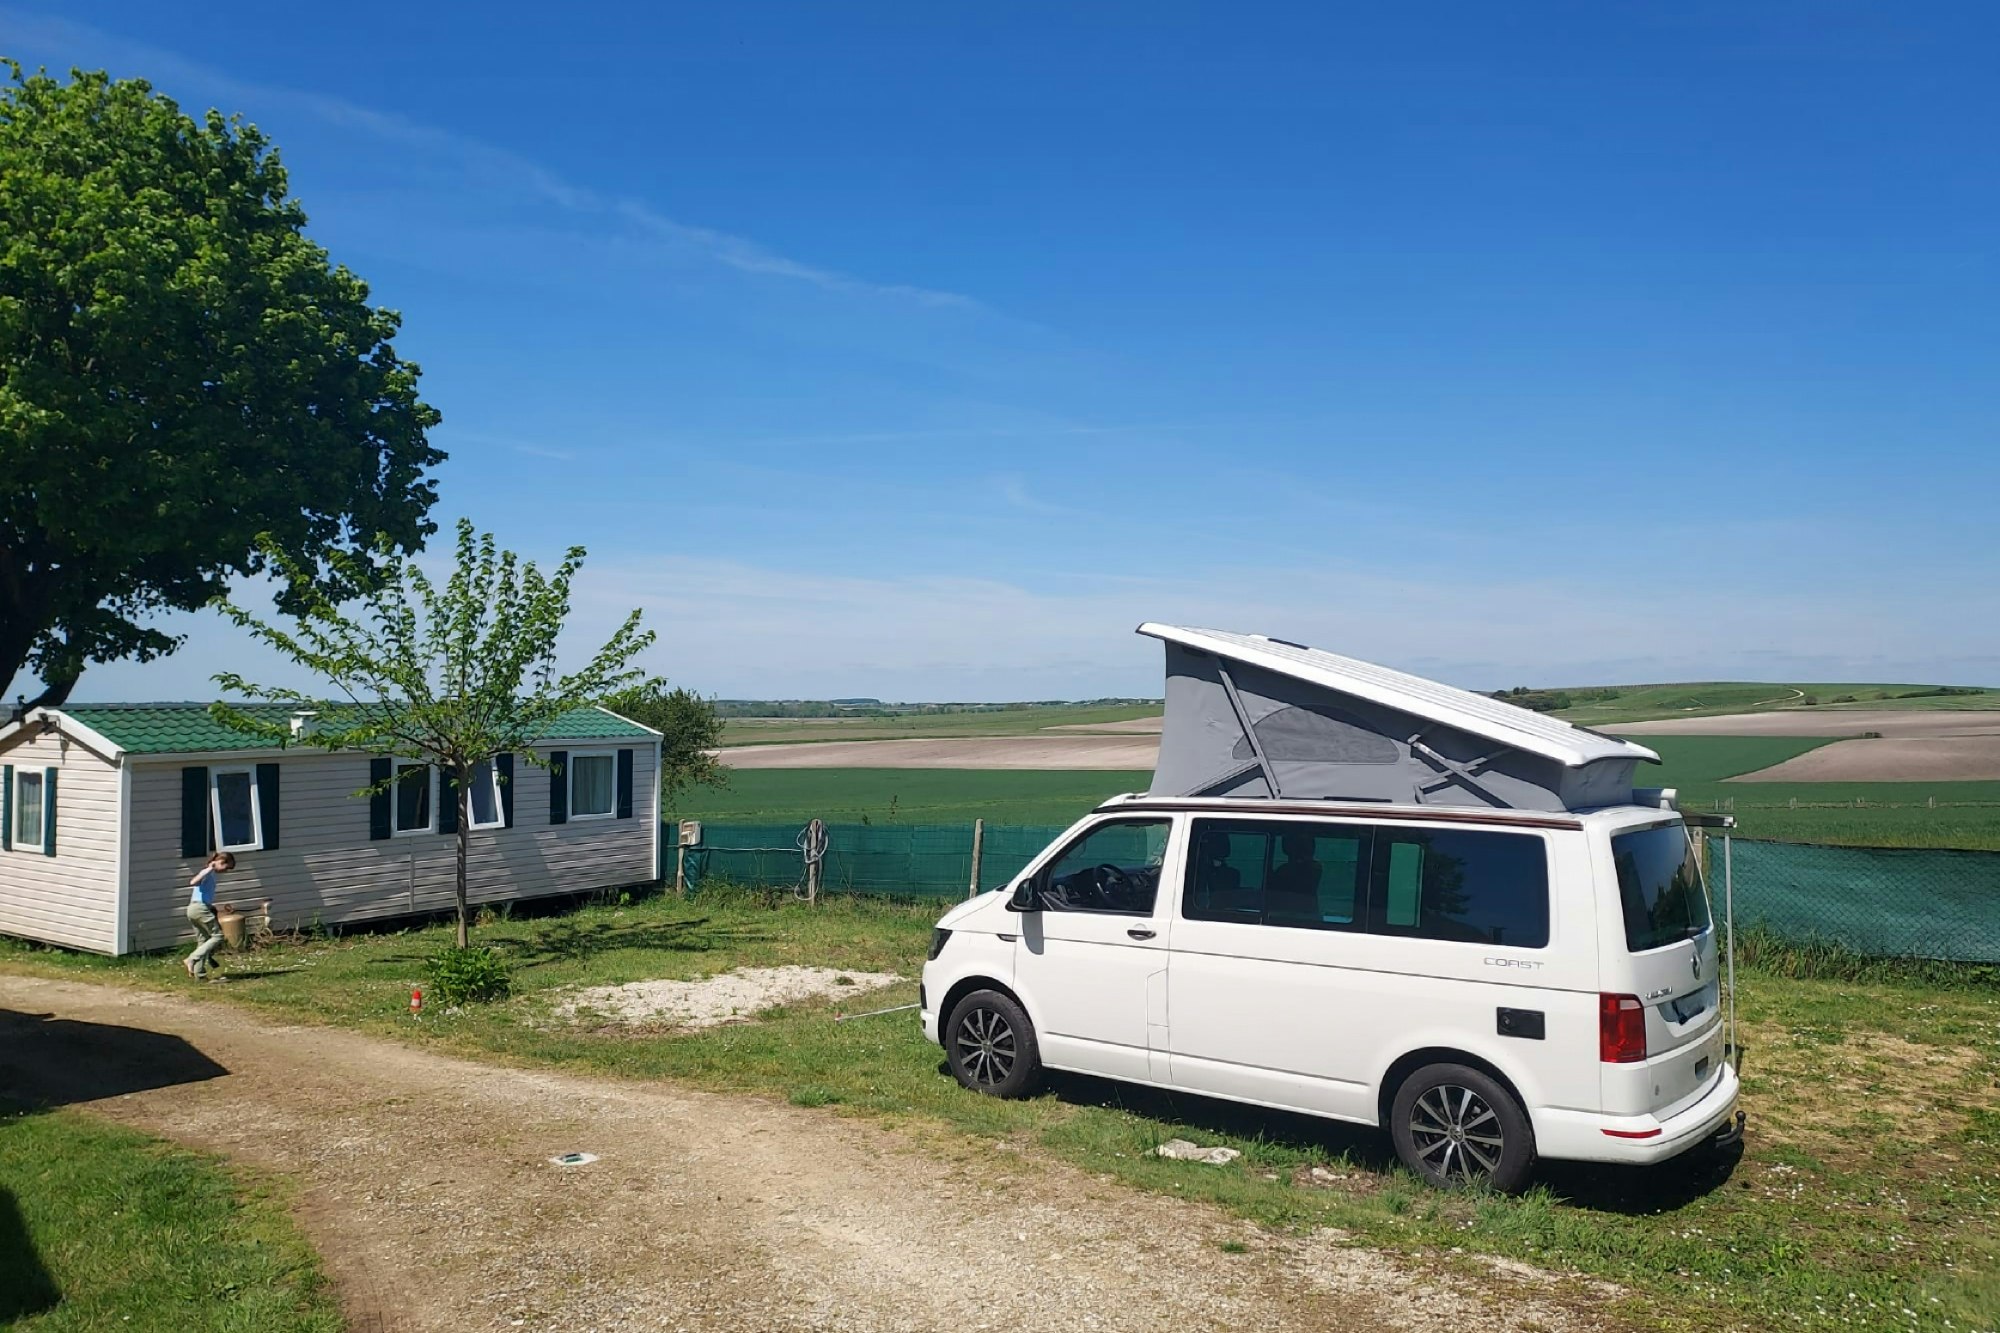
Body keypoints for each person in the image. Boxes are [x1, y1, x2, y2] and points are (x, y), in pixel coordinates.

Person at [184, 852, 235, 979]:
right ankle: (192, 958)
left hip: (193, 908)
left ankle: (199, 975)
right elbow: (193, 881)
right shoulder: (208, 872)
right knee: (218, 936)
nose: (226, 871)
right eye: (227, 868)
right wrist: (210, 868)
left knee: (203, 940)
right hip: (200, 908)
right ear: (222, 862)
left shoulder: (210, 874)